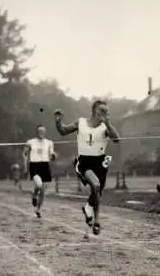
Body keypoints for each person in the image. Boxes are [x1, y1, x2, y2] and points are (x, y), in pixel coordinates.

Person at [54, 100, 120, 235]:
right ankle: (97, 220)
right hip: (85, 162)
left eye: (107, 111)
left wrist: (107, 122)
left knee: (97, 193)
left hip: (100, 162)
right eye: (102, 110)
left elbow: (117, 139)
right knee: (95, 186)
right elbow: (63, 131)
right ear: (95, 111)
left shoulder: (105, 127)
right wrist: (58, 121)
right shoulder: (81, 122)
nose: (105, 113)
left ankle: (90, 212)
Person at [22, 125, 56, 218]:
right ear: (36, 132)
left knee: (43, 190)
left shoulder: (49, 142)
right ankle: (34, 195)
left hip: (45, 166)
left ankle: (38, 209)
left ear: (45, 132)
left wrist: (53, 155)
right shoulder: (30, 142)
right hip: (35, 166)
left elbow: (51, 153)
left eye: (43, 131)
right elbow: (24, 154)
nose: (41, 133)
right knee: (39, 184)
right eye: (39, 131)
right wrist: (25, 166)